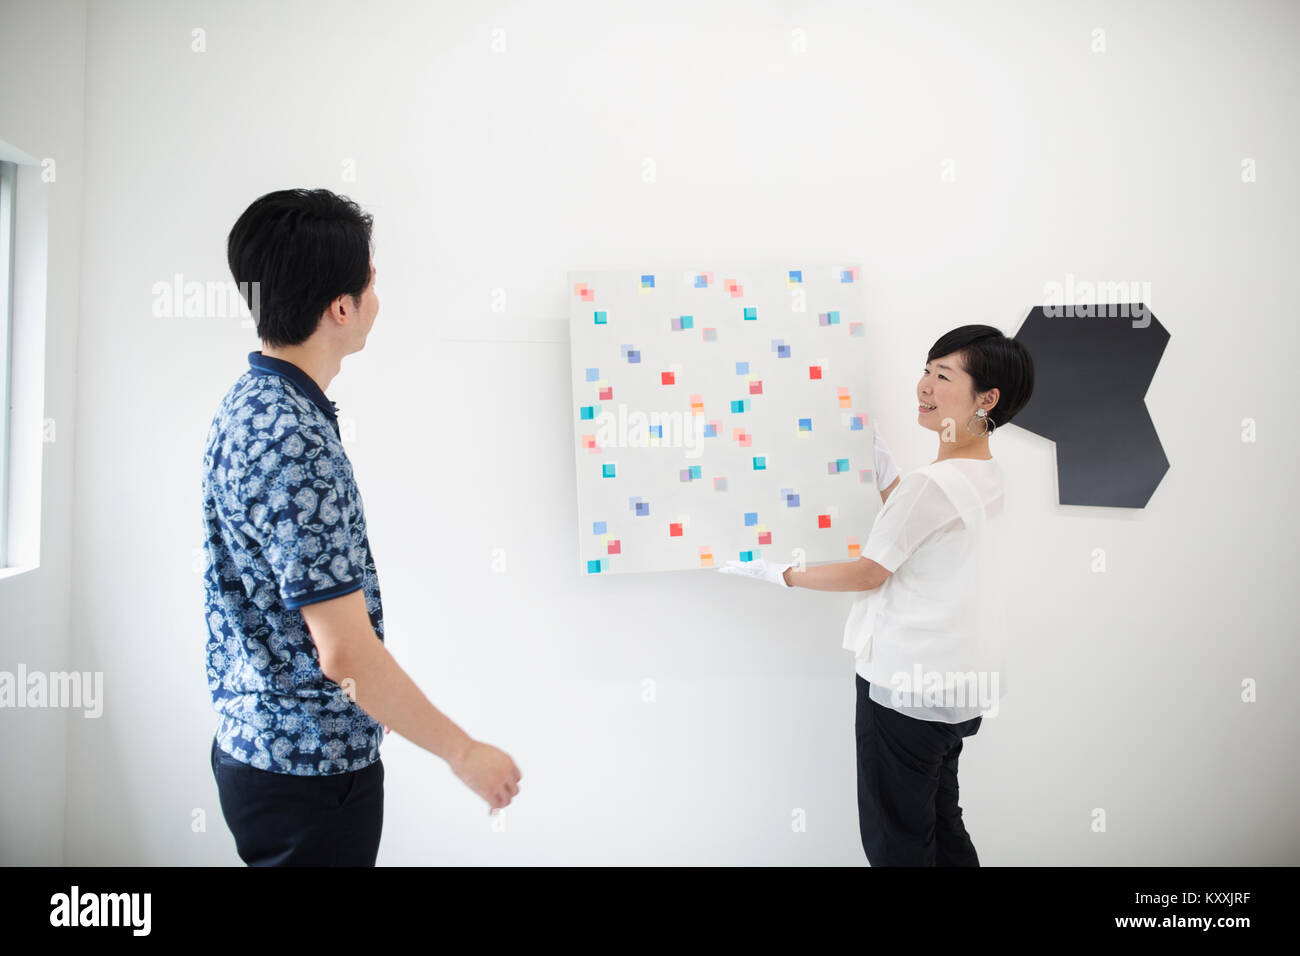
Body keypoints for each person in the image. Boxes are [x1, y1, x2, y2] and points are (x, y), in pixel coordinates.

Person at [200, 188, 521, 866]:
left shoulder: (254, 403)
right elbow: (342, 653)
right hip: (306, 777)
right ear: (340, 308)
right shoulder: (291, 437)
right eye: (371, 283)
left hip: (263, 753)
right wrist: (462, 752)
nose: (377, 297)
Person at [720, 325, 1034, 866]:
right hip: (954, 687)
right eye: (926, 369)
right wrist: (886, 471)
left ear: (987, 398)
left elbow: (870, 572)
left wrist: (779, 574)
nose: (924, 386)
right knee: (941, 821)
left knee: (897, 842)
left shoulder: (932, 486)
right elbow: (919, 525)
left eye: (943, 375)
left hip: (905, 689)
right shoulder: (985, 475)